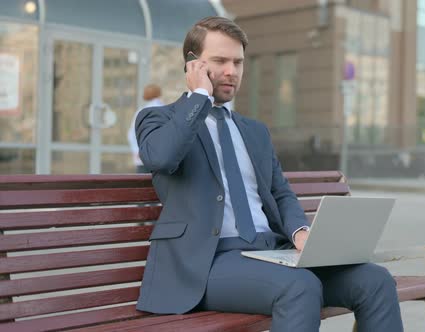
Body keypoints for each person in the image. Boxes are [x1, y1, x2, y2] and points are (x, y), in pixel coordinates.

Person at [134, 16, 404, 332]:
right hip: (205, 265)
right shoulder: (158, 119)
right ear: (193, 65)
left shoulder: (254, 132)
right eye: (220, 61)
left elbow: (279, 192)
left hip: (270, 254)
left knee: (375, 280)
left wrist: (301, 233)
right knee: (299, 286)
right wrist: (198, 98)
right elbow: (162, 157)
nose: (231, 71)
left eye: (238, 62)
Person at [127, 84, 164, 173]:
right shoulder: (165, 109)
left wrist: (137, 150)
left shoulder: (141, 111)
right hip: (161, 158)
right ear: (159, 94)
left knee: (142, 184)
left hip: (142, 159)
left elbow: (131, 134)